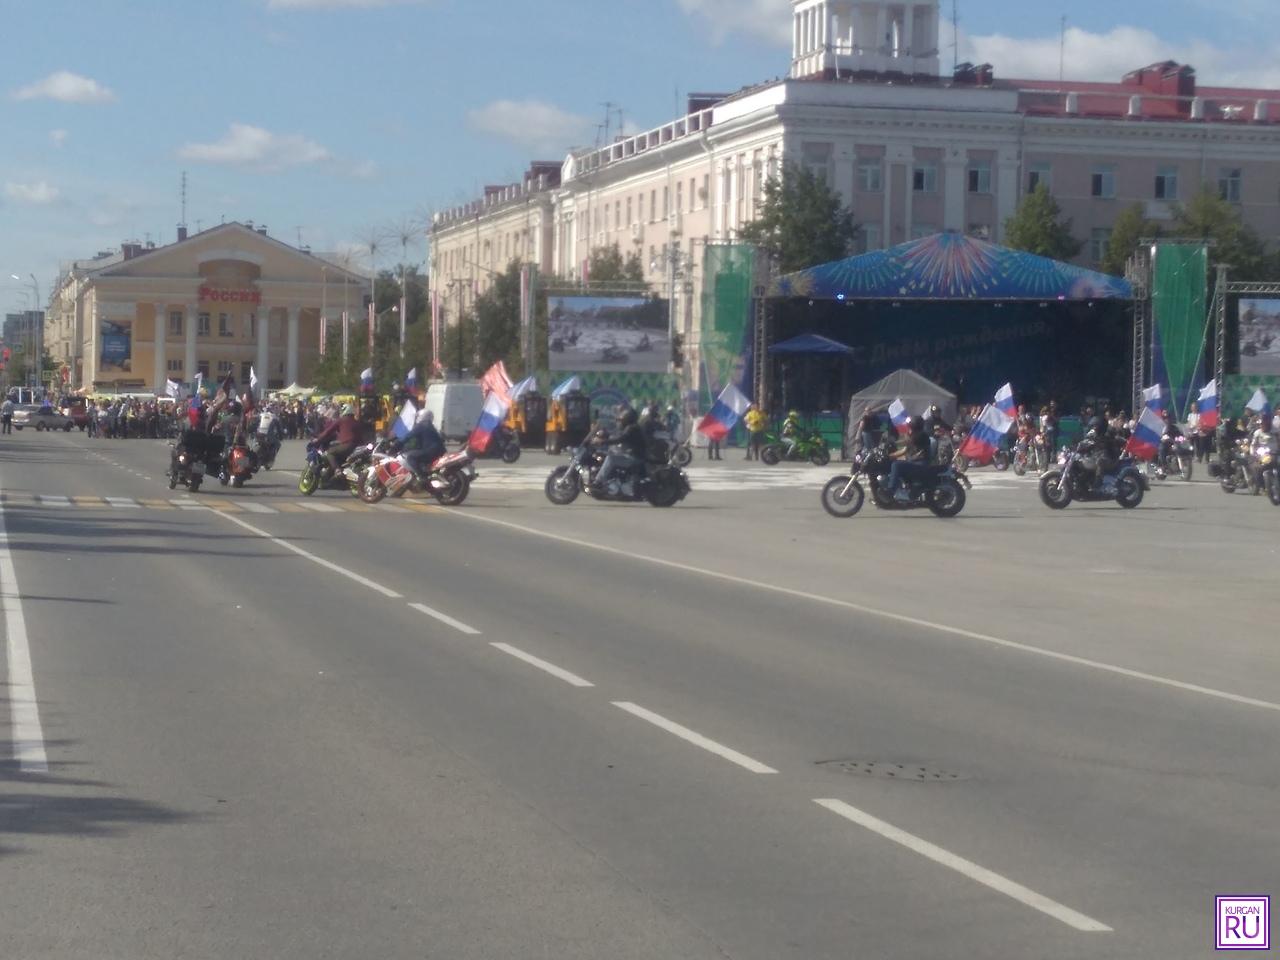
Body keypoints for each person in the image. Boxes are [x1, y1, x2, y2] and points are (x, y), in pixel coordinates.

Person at [594, 406, 647, 493]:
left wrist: (602, 442)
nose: (621, 418)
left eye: (623, 416)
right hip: (631, 455)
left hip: (634, 457)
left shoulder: (632, 428)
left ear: (628, 417)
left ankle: (598, 482)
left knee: (611, 459)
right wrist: (605, 434)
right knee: (607, 453)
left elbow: (620, 439)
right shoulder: (631, 427)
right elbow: (618, 434)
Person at [885, 417, 932, 503]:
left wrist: (892, 443)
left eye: (910, 426)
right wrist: (889, 455)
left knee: (896, 465)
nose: (909, 428)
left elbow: (906, 444)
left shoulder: (921, 435)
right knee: (895, 463)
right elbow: (904, 450)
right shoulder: (916, 436)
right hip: (915, 462)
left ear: (914, 426)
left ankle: (891, 491)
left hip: (921, 464)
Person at [311, 404, 362, 477]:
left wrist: (318, 439)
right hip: (357, 447)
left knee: (330, 452)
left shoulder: (341, 420)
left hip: (347, 445)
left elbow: (328, 431)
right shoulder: (356, 422)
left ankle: (337, 470)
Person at [400, 409, 446, 481]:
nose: (417, 417)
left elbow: (408, 436)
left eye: (418, 416)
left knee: (410, 457)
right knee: (418, 454)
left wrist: (396, 444)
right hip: (440, 450)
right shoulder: (432, 426)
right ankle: (426, 472)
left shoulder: (422, 425)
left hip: (431, 451)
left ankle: (422, 477)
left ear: (422, 416)